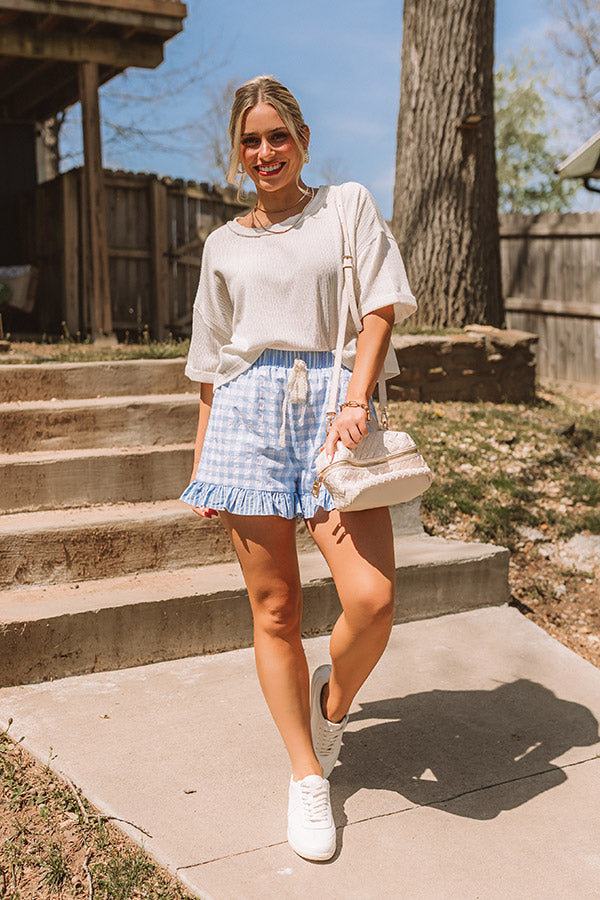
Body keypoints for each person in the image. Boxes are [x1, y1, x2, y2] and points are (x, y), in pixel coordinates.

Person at [180, 75, 416, 861]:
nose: (265, 151)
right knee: (275, 610)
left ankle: (333, 702)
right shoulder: (221, 245)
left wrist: (355, 400)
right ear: (237, 152)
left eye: (277, 135)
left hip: (332, 413)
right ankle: (306, 774)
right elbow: (212, 362)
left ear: (301, 139)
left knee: (372, 598)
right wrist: (203, 456)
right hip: (245, 419)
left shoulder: (345, 207)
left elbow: (379, 306)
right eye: (251, 140)